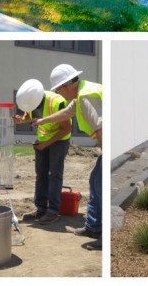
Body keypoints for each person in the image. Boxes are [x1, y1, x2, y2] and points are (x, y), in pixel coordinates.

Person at [31, 64, 102, 250]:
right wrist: (41, 121)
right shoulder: (81, 95)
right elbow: (65, 113)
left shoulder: (86, 97)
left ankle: (101, 234)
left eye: (59, 89)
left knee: (100, 185)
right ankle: (93, 226)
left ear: (68, 84)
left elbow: (101, 128)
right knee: (95, 181)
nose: (59, 94)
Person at [16, 79, 71, 225]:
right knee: (41, 174)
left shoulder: (57, 102)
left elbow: (66, 128)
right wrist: (22, 120)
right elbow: (31, 115)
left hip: (59, 140)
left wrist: (46, 144)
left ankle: (53, 211)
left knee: (54, 174)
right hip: (42, 139)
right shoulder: (31, 100)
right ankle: (40, 208)